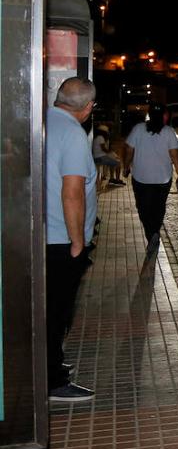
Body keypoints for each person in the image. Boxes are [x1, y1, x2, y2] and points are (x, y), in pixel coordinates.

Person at [46, 77, 98, 402]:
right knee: (58, 310)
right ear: (88, 107)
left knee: (47, 309)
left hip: (41, 234)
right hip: (61, 240)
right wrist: (77, 242)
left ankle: (50, 364)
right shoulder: (74, 135)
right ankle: (52, 381)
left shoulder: (42, 122)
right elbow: (73, 193)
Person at [123, 103, 178, 253]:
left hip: (141, 178)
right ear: (164, 115)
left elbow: (129, 150)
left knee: (143, 208)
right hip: (163, 179)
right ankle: (154, 232)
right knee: (159, 207)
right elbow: (175, 155)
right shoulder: (169, 131)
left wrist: (126, 166)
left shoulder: (138, 129)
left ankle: (151, 234)